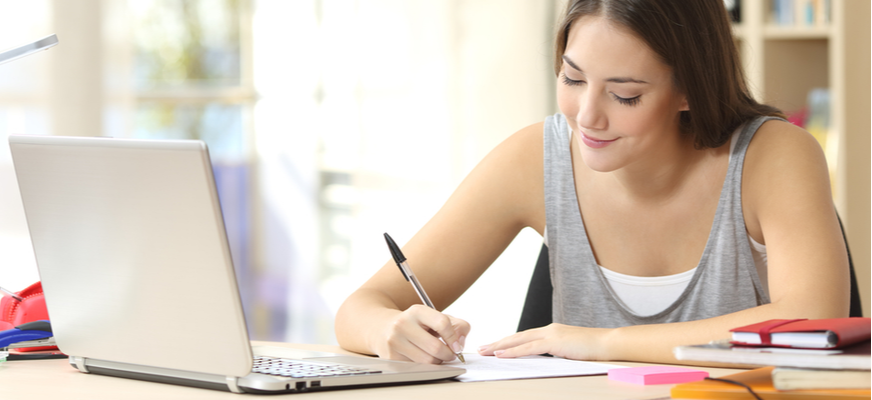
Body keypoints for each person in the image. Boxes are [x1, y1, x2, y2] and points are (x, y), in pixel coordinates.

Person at [334, 0, 850, 365]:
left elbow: (809, 320)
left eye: (624, 95)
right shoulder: (536, 158)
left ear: (691, 88)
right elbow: (361, 307)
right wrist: (390, 331)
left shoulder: (773, 156)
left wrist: (602, 342)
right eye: (572, 79)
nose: (587, 117)